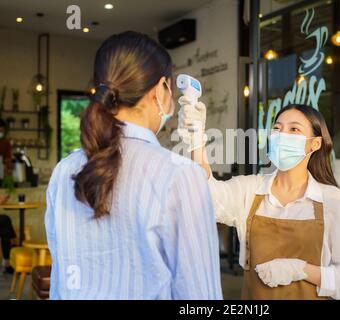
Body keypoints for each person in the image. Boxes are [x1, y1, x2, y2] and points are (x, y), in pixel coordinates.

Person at [45, 31, 222, 300]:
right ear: (160, 90)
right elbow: (201, 298)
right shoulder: (180, 175)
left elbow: (60, 284)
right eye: (170, 88)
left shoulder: (63, 171)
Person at [178, 102, 340, 300]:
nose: (282, 135)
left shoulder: (331, 199)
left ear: (315, 143)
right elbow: (205, 195)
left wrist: (300, 270)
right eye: (277, 128)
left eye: (294, 129)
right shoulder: (250, 190)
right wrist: (196, 138)